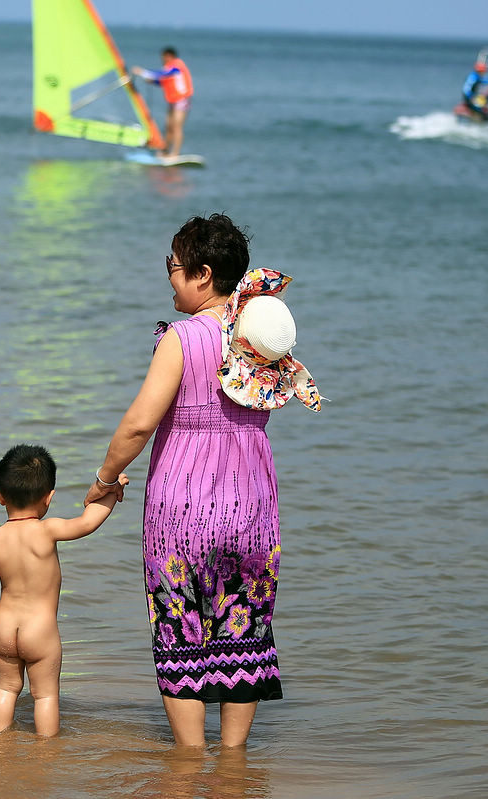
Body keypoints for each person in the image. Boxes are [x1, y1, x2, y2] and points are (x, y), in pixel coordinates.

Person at [84, 214, 321, 748]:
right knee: (245, 627)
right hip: (252, 504)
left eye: (172, 265)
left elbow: (141, 422)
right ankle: (234, 763)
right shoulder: (260, 343)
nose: (168, 276)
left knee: (180, 627)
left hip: (182, 507)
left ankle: (189, 761)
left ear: (203, 274)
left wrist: (105, 478)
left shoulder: (180, 339)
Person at [0, 444, 128, 737]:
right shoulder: (48, 530)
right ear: (49, 498)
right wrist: (111, 492)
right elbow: (88, 522)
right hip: (39, 631)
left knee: (5, 687)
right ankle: (46, 750)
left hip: (4, 629)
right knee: (45, 695)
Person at [132, 47, 194, 157]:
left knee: (176, 127)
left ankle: (175, 153)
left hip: (182, 100)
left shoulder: (177, 66)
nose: (162, 59)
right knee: (168, 126)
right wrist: (151, 81)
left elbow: (161, 74)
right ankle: (165, 151)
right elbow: (162, 81)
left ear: (168, 56)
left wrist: (141, 72)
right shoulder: (169, 68)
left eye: (163, 57)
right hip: (172, 101)